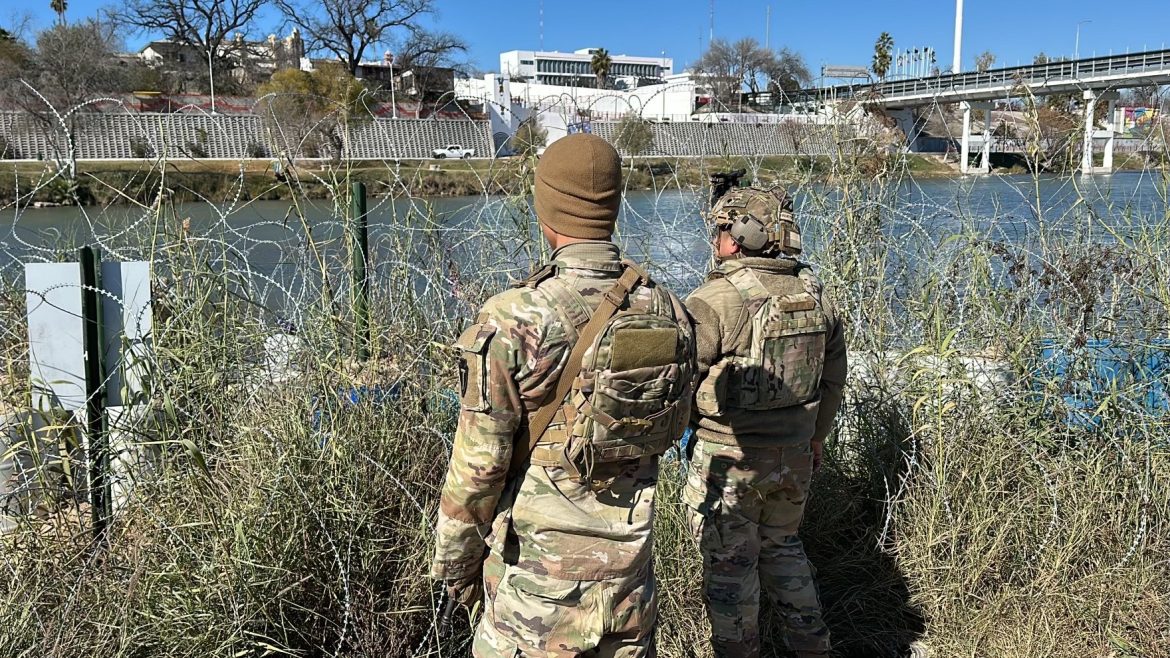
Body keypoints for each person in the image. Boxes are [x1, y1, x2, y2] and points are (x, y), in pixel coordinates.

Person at [430, 133, 696, 657]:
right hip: (631, 587)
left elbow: (477, 469)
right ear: (613, 206)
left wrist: (455, 567)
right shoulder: (669, 310)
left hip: (537, 597)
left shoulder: (515, 317)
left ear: (545, 206)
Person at [683, 185, 847, 658]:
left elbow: (681, 380)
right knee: (784, 548)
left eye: (720, 229)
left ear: (738, 236)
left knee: (730, 570)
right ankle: (813, 648)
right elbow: (833, 379)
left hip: (729, 459)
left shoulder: (716, 299)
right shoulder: (816, 295)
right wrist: (815, 437)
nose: (715, 239)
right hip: (794, 456)